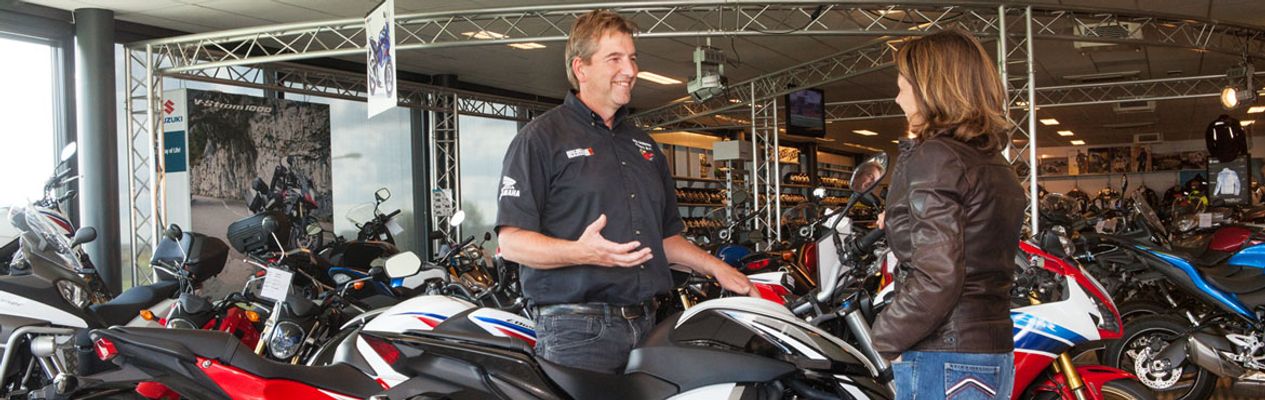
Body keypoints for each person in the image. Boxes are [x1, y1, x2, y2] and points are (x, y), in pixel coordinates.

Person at [494, 9, 754, 374]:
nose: (630, 70)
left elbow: (665, 240)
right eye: (614, 59)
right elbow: (512, 244)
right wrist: (582, 252)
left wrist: (720, 269)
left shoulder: (644, 146)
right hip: (575, 332)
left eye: (632, 59)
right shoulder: (539, 139)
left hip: (649, 324)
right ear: (581, 68)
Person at [871, 28, 1025, 400]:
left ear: (931, 89)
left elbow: (938, 276)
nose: (897, 98)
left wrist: (885, 338)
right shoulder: (991, 160)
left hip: (945, 353)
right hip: (989, 349)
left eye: (903, 86)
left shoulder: (937, 157)